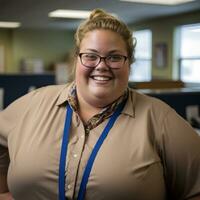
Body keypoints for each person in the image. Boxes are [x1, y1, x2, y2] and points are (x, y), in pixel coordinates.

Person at [0, 8, 200, 200]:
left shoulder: (159, 118)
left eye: (114, 57)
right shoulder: (34, 104)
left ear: (129, 63)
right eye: (91, 56)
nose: (101, 65)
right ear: (77, 59)